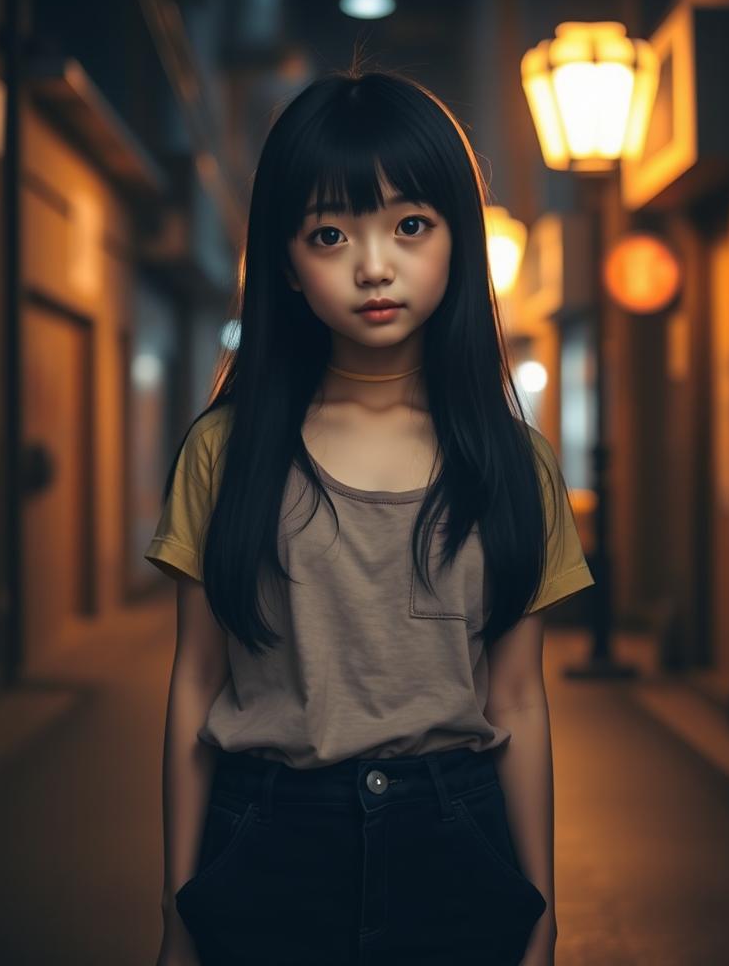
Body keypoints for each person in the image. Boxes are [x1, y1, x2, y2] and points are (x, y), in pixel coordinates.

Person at [144, 67, 594, 966]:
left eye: (411, 226)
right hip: (268, 836)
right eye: (330, 233)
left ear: (457, 240)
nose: (374, 264)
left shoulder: (513, 466)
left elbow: (516, 701)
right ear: (286, 260)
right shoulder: (225, 454)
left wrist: (542, 914)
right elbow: (196, 683)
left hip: (455, 836)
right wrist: (177, 908)